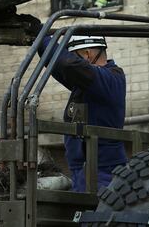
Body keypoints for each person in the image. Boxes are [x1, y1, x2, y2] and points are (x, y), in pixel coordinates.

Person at [40, 35, 127, 192]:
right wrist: (39, 39)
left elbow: (68, 64)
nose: (73, 60)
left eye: (75, 56)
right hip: (82, 173)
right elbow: (58, 66)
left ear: (88, 54)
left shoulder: (110, 79)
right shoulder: (87, 83)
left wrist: (45, 38)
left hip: (104, 175)